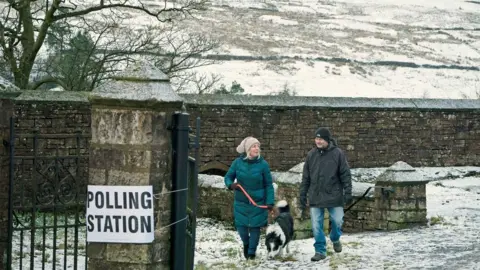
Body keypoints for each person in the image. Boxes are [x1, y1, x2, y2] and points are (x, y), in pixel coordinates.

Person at [299, 127, 352, 261]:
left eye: (321, 139)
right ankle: (320, 250)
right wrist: (302, 194)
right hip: (315, 196)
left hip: (334, 195)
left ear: (327, 140)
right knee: (316, 225)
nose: (318, 141)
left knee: (338, 221)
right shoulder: (311, 155)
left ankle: (335, 238)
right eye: (316, 139)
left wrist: (348, 191)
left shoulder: (338, 154)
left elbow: (345, 174)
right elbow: (306, 177)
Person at [224, 136, 275, 260]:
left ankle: (251, 253)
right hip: (241, 202)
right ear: (247, 149)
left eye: (258, 146)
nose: (257, 148)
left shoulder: (263, 165)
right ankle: (246, 244)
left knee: (255, 228)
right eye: (254, 146)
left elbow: (268, 185)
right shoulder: (237, 163)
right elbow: (228, 176)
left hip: (257, 202)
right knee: (241, 227)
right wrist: (231, 184)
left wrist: (269, 202)